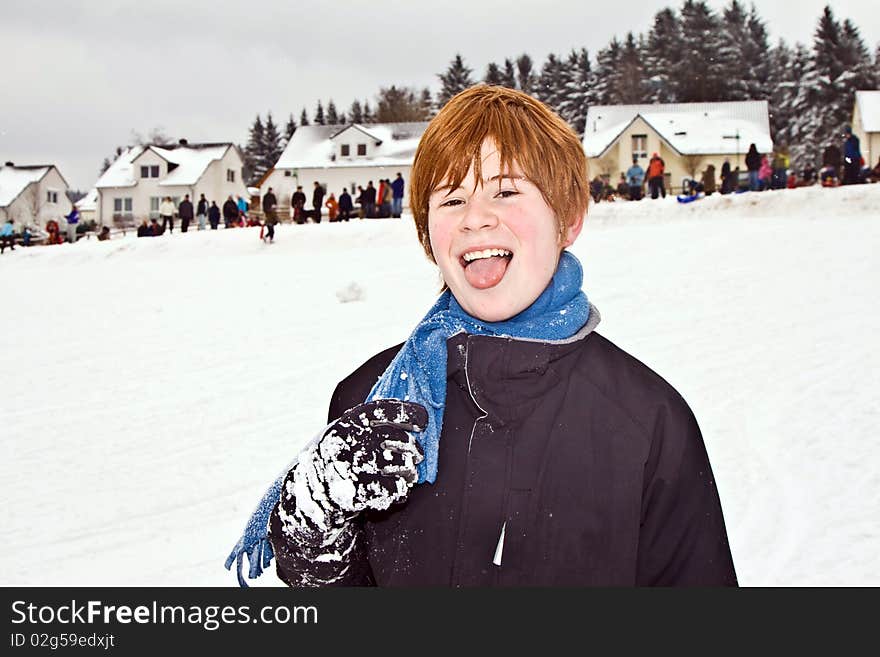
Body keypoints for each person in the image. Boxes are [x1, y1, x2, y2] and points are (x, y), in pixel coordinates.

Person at [225, 84, 737, 588]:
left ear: (569, 220)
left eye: (506, 191)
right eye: (451, 199)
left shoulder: (649, 423)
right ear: (429, 234)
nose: (475, 218)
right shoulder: (371, 401)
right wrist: (312, 533)